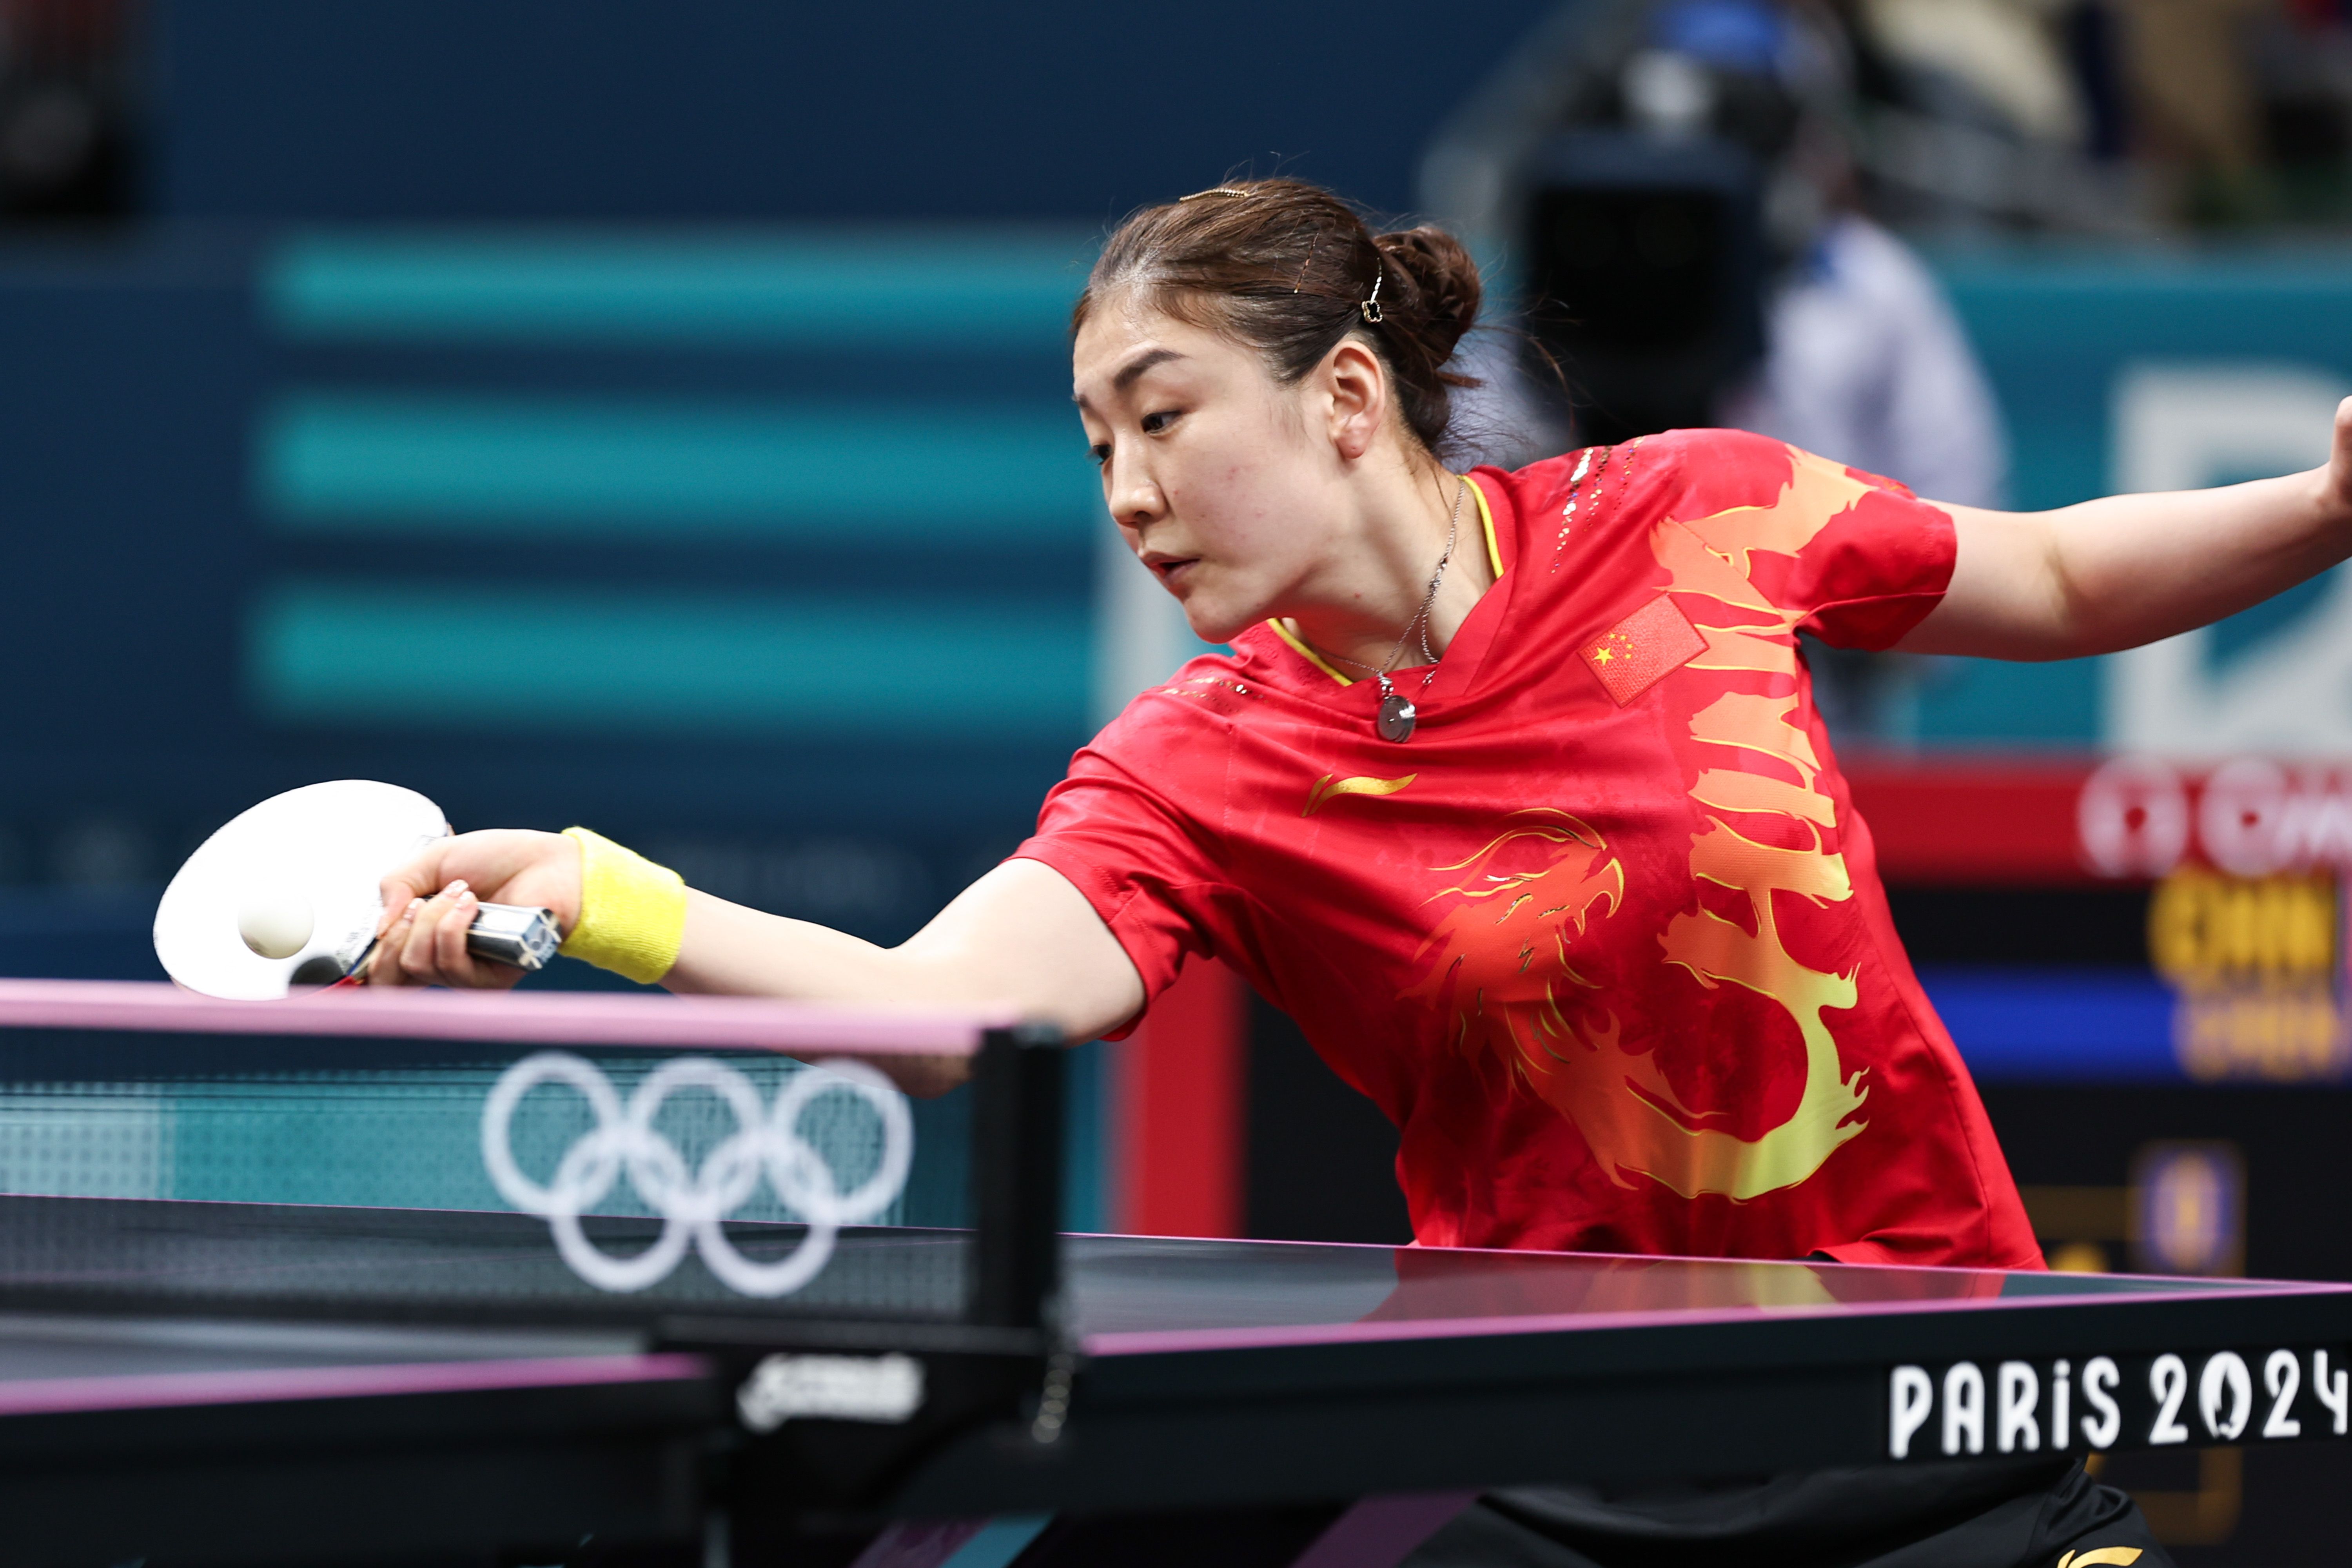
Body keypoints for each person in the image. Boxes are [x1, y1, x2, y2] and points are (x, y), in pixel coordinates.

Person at [367, 178, 2352, 1566]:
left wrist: (2334, 502)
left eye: (1163, 418)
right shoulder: (1199, 764)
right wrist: (601, 899)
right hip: (1559, 1472)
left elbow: (2067, 574)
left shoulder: (1695, 513)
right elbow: (944, 1015)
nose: (1130, 491)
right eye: (1093, 447)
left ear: (1340, 398)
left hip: (1932, 1416)